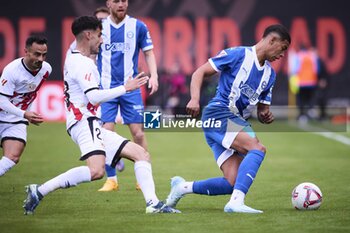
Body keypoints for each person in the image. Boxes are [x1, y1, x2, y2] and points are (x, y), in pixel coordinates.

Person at [23, 16, 179, 215]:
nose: (102, 40)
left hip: (89, 122)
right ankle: (40, 190)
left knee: (141, 154)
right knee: (96, 171)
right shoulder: (82, 63)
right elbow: (94, 96)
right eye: (99, 35)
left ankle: (153, 204)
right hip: (83, 122)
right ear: (88, 35)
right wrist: (126, 87)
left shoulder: (74, 55)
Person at [165, 24, 291, 213]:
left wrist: (265, 115)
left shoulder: (270, 75)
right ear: (271, 40)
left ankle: (182, 188)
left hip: (232, 122)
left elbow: (262, 109)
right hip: (219, 113)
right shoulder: (238, 54)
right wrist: (194, 98)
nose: (282, 55)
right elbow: (199, 72)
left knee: (232, 182)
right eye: (283, 48)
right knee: (257, 148)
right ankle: (236, 203)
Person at [96, 0, 159, 192]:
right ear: (108, 3)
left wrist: (154, 75)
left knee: (138, 133)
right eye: (116, 1)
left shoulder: (138, 26)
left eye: (124, 0)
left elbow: (149, 53)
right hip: (106, 88)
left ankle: (143, 177)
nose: (121, 4)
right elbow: (89, 54)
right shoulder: (99, 28)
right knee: (106, 132)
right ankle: (112, 179)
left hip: (131, 88)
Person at [0, 35, 52, 177]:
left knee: (13, 157)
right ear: (26, 51)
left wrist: (26, 112)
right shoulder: (12, 70)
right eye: (37, 54)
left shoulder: (46, 69)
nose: (41, 59)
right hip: (5, 113)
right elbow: (2, 101)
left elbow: (29, 93)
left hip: (16, 120)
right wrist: (25, 114)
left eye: (44, 55)